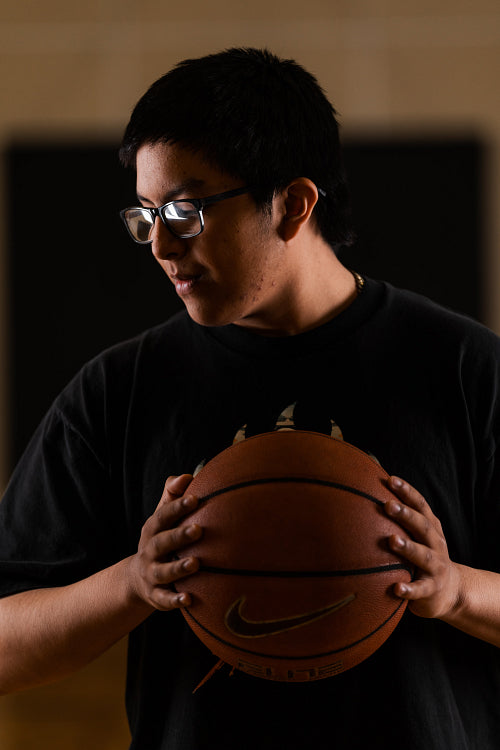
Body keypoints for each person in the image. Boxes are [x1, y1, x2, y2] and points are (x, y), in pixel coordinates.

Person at [0, 47, 499, 750]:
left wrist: (458, 592)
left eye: (186, 209)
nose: (160, 246)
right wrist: (135, 584)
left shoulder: (466, 371)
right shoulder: (120, 390)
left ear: (293, 204)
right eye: (146, 214)